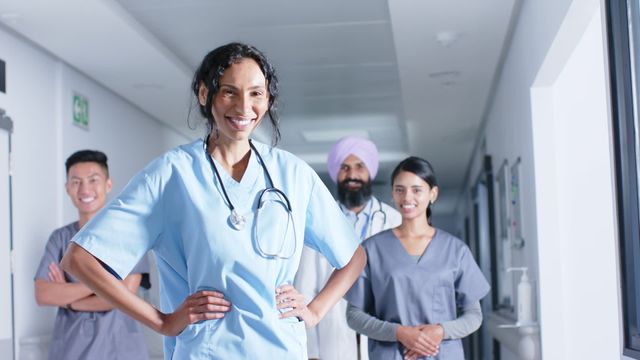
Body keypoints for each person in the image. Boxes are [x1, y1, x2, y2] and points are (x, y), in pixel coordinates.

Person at [60, 42, 366, 360]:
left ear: (268, 99)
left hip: (281, 350)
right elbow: (79, 259)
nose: (244, 106)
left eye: (256, 93)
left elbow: (353, 256)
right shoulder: (171, 175)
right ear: (206, 95)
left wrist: (315, 311)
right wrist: (162, 321)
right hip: (206, 352)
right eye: (229, 92)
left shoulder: (292, 173)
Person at [345, 156, 490, 360]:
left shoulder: (456, 250)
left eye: (416, 189)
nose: (407, 197)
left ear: (433, 194)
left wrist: (439, 331)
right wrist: (400, 333)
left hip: (442, 354)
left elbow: (474, 315)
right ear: (393, 194)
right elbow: (354, 316)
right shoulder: (372, 249)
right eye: (400, 189)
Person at [34, 150, 150, 360]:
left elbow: (123, 297)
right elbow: (44, 294)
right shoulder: (60, 239)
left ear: (108, 184)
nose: (85, 189)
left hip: (120, 349)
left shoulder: (130, 235)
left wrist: (67, 298)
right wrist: (106, 284)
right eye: (76, 181)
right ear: (67, 188)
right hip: (71, 348)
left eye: (93, 180)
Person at [294, 135, 401, 360]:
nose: (352, 175)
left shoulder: (394, 221)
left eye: (359, 166)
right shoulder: (318, 219)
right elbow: (306, 286)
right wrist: (311, 351)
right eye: (344, 167)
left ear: (370, 171)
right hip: (332, 329)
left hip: (383, 328)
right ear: (336, 172)